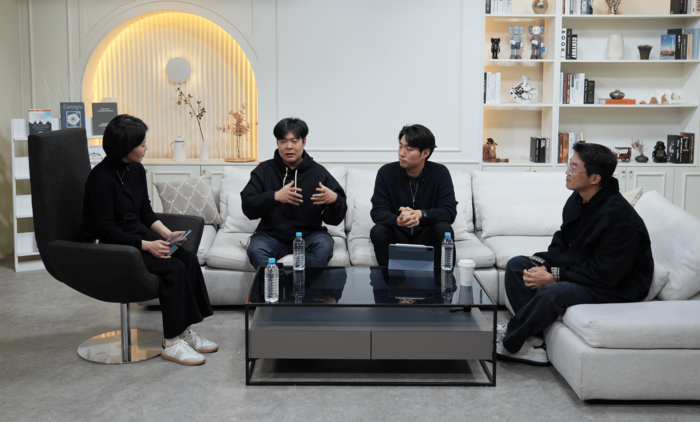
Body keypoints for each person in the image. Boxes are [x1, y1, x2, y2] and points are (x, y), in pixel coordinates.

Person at [497, 143, 654, 364]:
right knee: (517, 266)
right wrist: (545, 265)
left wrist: (554, 277)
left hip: (617, 285)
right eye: (569, 166)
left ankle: (511, 340)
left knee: (553, 292)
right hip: (584, 267)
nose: (566, 172)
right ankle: (533, 340)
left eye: (573, 168)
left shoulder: (619, 218)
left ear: (595, 178)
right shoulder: (579, 198)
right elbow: (563, 240)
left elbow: (606, 273)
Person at [81, 115, 216, 366]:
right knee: (172, 268)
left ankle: (183, 332)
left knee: (186, 259)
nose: (146, 148)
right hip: (114, 248)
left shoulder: (136, 169)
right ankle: (171, 343)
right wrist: (148, 246)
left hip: (137, 238)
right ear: (125, 146)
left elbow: (145, 210)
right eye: (142, 144)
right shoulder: (100, 179)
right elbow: (106, 230)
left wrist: (166, 234)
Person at [241, 117, 347, 269]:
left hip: (310, 236)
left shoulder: (318, 173)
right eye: (283, 141)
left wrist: (335, 200)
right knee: (256, 249)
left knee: (324, 245)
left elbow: (334, 220)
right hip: (271, 236)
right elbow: (248, 206)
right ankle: (280, 283)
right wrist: (275, 196)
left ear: (304, 142)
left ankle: (296, 284)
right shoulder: (264, 170)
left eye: (294, 141)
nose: (289, 147)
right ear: (277, 143)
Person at [370, 124, 457, 267]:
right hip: (398, 233)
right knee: (378, 231)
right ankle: (389, 280)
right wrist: (399, 220)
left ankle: (441, 280)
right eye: (400, 147)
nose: (401, 153)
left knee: (444, 229)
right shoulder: (386, 172)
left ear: (425, 153)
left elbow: (449, 211)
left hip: (426, 234)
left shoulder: (440, 173)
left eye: (409, 149)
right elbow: (378, 211)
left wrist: (420, 214)